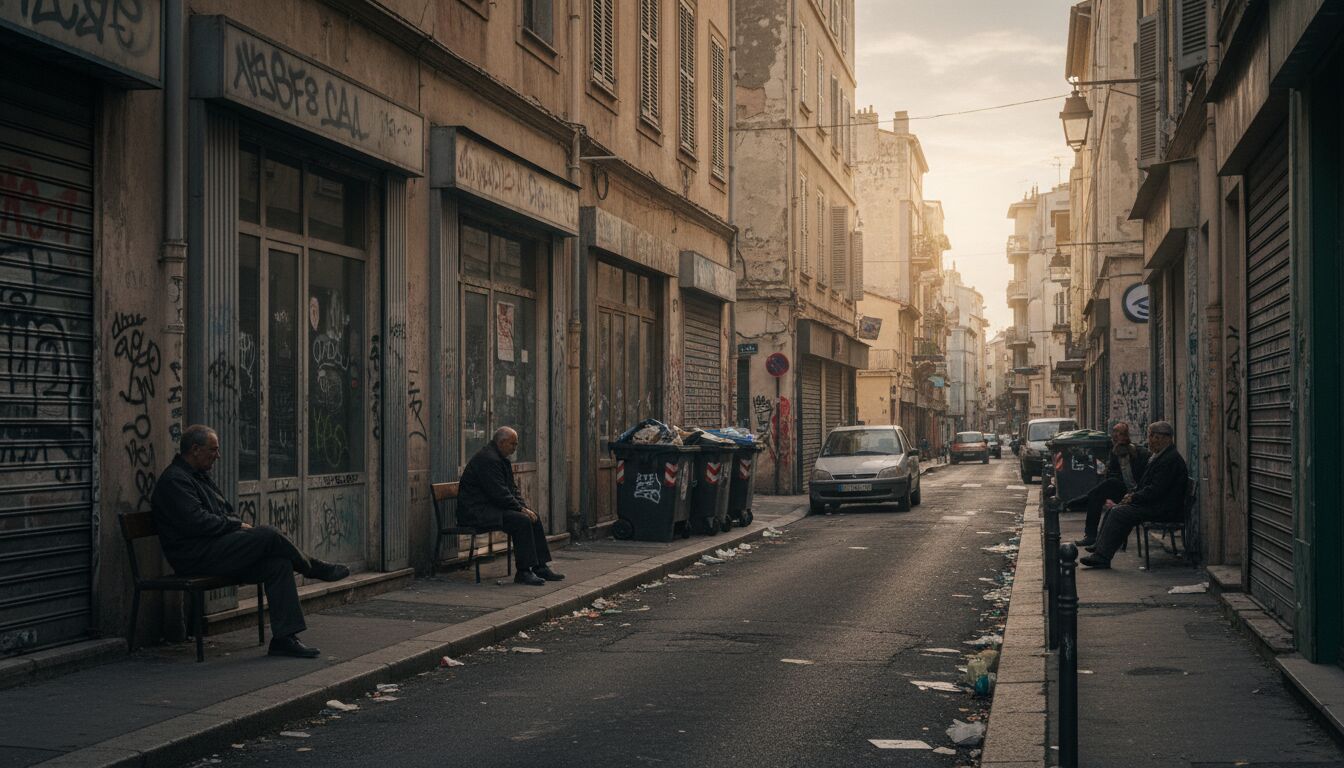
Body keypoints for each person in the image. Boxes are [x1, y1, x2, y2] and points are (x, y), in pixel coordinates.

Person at [151, 425, 350, 658]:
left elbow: (225, 512)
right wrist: (235, 526)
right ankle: (312, 567)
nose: (218, 455)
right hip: (196, 556)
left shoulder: (200, 477)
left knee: (278, 564)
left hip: (216, 549)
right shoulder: (175, 481)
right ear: (195, 449)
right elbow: (198, 522)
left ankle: (284, 639)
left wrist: (233, 525)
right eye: (213, 450)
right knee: (267, 534)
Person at [458, 427, 565, 587]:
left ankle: (540, 566)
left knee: (532, 518)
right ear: (501, 442)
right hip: (476, 512)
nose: (515, 448)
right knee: (521, 521)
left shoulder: (499, 458)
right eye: (512, 444)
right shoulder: (488, 459)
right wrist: (521, 510)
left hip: (490, 508)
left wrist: (524, 508)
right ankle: (523, 572)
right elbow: (498, 493)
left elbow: (511, 489)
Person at [1080, 421, 1188, 569]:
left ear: (1164, 439)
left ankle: (1102, 556)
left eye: (1153, 437)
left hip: (1164, 509)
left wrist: (1134, 497)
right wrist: (1133, 494)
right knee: (1115, 509)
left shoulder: (1169, 460)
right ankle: (1100, 550)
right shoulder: (1160, 456)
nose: (1149, 440)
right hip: (1157, 504)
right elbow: (1147, 485)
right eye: (1150, 436)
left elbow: (1156, 490)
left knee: (1120, 512)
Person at [1073, 422, 1150, 548]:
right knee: (1099, 494)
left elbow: (1144, 477)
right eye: (1113, 433)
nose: (1114, 436)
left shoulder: (1138, 452)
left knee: (1100, 492)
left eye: (1118, 433)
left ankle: (1084, 500)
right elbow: (1111, 475)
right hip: (1121, 490)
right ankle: (1090, 535)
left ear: (1126, 436)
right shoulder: (1114, 453)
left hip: (1135, 492)